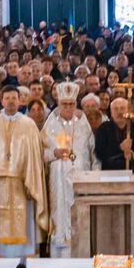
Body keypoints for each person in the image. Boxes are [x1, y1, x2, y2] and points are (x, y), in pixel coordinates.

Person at [0, 85, 49, 257]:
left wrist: (32, 183)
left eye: (14, 98)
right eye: (7, 98)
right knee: (0, 220)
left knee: (25, 221)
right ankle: (2, 258)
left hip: (23, 183)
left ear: (20, 101)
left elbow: (35, 158)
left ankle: (27, 258)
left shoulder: (29, 125)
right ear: (1, 101)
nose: (10, 101)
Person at [39, 82, 94, 257]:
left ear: (76, 104)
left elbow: (92, 153)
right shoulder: (50, 125)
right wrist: (54, 153)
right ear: (58, 104)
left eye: (71, 104)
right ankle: (58, 254)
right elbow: (40, 153)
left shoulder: (84, 124)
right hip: (58, 180)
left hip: (81, 179)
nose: (68, 108)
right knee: (59, 215)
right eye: (65, 104)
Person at [94, 97, 134, 171]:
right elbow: (99, 153)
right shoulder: (103, 129)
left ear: (128, 110)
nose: (119, 112)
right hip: (110, 173)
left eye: (122, 108)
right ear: (111, 113)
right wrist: (119, 148)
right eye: (116, 109)